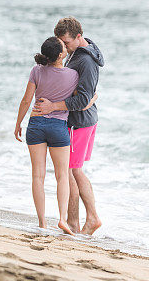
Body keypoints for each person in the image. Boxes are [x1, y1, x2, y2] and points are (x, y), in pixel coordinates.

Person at [14, 36, 96, 235]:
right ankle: (62, 220)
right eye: (63, 47)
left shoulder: (36, 71)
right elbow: (81, 98)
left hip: (35, 125)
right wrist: (93, 99)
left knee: (38, 176)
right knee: (62, 176)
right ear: (60, 55)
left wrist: (18, 124)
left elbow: (26, 101)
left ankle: (42, 222)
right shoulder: (72, 75)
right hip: (58, 127)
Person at [33, 17, 104, 235]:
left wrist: (53, 105)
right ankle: (80, 220)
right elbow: (84, 95)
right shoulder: (79, 52)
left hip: (79, 123)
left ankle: (83, 220)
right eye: (61, 43)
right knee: (73, 171)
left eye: (67, 43)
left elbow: (82, 99)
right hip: (83, 120)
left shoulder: (86, 61)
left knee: (72, 172)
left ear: (78, 37)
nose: (63, 47)